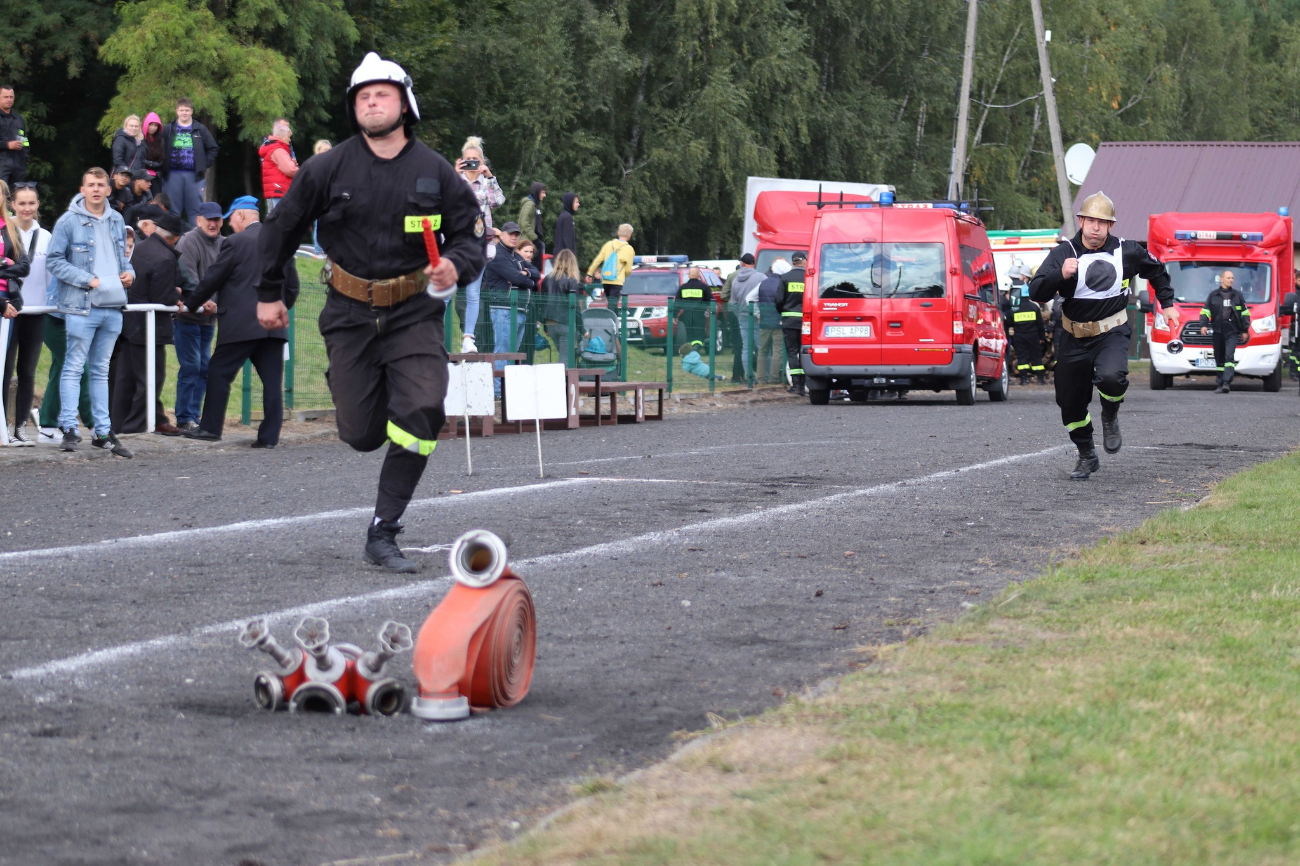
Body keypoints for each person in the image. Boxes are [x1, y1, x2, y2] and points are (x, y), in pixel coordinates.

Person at [256, 51, 485, 573]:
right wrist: (269, 292)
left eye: (382, 94)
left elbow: (473, 240)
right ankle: (366, 392)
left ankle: (384, 529)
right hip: (348, 311)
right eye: (363, 96)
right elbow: (280, 229)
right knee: (361, 433)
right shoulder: (326, 166)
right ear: (353, 107)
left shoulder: (436, 173)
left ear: (405, 105)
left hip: (413, 312)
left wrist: (453, 264)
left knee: (424, 407)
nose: (372, 102)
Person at [1029, 192, 1178, 480]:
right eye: (1090, 221)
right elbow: (1037, 292)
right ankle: (1086, 454)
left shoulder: (1127, 250)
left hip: (1112, 329)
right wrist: (1059, 275)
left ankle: (1110, 415)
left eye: (1102, 222)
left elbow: (1157, 270)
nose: (1095, 227)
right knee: (1069, 404)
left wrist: (1168, 304)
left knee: (1112, 376)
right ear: (1081, 221)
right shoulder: (1064, 253)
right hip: (1073, 335)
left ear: (1110, 225)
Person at [184, 197, 297, 446]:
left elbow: (213, 278)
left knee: (219, 372)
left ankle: (211, 428)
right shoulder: (281, 242)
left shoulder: (236, 242)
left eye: (231, 218)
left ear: (242, 216)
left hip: (240, 324)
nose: (229, 224)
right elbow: (293, 287)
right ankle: (268, 438)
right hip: (273, 328)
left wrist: (191, 304)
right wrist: (278, 308)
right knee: (271, 382)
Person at [46, 167, 136, 457]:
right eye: (91, 185)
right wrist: (89, 279)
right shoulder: (68, 222)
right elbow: (54, 261)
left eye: (101, 185)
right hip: (81, 305)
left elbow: (124, 259)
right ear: (82, 189)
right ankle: (69, 428)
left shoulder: (118, 220)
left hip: (112, 305)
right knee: (73, 367)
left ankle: (103, 432)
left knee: (100, 370)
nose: (96, 189)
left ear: (109, 190)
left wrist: (129, 273)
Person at [113, 208, 185, 436]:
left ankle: (122, 422)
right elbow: (162, 296)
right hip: (148, 328)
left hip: (129, 323)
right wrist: (176, 296)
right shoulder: (165, 257)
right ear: (175, 237)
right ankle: (137, 424)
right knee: (151, 378)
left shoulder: (141, 248)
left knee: (127, 378)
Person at [173, 200, 225, 431]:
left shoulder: (225, 244)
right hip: (188, 317)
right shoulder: (189, 241)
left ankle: (195, 416)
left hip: (209, 319)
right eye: (209, 219)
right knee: (191, 366)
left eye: (217, 219)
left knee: (205, 367)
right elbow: (189, 276)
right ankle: (185, 417)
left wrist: (215, 303)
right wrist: (204, 301)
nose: (213, 224)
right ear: (199, 220)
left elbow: (228, 277)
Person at [4, 182, 49, 444]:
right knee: (5, 370)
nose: (27, 208)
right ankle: (3, 426)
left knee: (28, 372)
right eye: (22, 203)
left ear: (38, 205)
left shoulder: (46, 236)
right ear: (12, 205)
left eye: (31, 203)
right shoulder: (3, 231)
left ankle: (20, 427)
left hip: (36, 310)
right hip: (8, 310)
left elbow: (51, 275)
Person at [455, 135, 504, 353]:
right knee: (446, 292)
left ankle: (468, 338)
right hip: (458, 242)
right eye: (468, 159)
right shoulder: (455, 180)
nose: (472, 163)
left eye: (476, 159)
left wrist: (490, 176)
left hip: (480, 244)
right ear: (462, 160)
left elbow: (498, 202)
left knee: (473, 293)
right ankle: (436, 334)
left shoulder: (486, 182)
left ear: (482, 161)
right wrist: (455, 174)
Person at [484, 224, 538, 391]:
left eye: (517, 235)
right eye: (511, 234)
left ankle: (507, 390)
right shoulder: (498, 255)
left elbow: (536, 272)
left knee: (512, 353)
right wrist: (527, 278)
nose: (514, 237)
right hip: (503, 308)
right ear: (502, 235)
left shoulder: (515, 256)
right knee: (503, 351)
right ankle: (498, 391)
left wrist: (527, 274)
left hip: (520, 309)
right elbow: (518, 279)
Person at [160, 98, 220, 225]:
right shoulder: (168, 129)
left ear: (191, 111)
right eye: (181, 110)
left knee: (195, 211)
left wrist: (204, 164)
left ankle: (195, 242)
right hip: (172, 175)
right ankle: (173, 243)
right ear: (177, 111)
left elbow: (213, 148)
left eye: (187, 110)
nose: (184, 113)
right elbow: (159, 149)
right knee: (172, 211)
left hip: (194, 176)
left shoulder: (200, 128)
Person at [1200, 269, 1251, 394]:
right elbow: (1205, 311)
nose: (1231, 280)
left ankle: (1227, 382)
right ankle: (1220, 383)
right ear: (1221, 279)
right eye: (1228, 278)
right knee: (1219, 358)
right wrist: (1203, 325)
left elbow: (1245, 314)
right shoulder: (1213, 295)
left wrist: (1244, 330)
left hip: (1232, 330)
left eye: (1232, 278)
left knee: (1229, 356)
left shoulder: (1237, 295)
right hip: (1218, 330)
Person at [774, 251, 808, 396]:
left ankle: (797, 386)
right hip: (807, 321)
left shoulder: (785, 278)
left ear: (793, 262)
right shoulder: (809, 278)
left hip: (789, 320)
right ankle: (806, 383)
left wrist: (784, 312)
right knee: (805, 352)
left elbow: (779, 300)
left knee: (792, 352)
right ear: (804, 261)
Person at [729, 254, 766, 384]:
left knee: (746, 347)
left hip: (743, 316)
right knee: (762, 346)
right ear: (753, 263)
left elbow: (732, 303)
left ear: (743, 264)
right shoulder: (761, 277)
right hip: (758, 317)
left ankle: (750, 376)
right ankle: (765, 376)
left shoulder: (735, 280)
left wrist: (739, 314)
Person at [543, 249, 582, 363]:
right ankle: (565, 381)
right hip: (566, 322)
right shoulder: (572, 280)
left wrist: (545, 326)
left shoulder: (547, 279)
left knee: (564, 354)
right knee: (566, 358)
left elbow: (543, 303)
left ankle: (567, 380)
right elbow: (575, 306)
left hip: (550, 323)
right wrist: (582, 327)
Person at [756, 257, 789, 384]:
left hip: (764, 322)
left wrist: (758, 314)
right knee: (777, 352)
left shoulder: (763, 283)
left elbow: (751, 298)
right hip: (778, 322)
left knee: (763, 350)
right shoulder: (783, 284)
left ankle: (761, 378)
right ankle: (774, 378)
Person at [586, 224, 635, 307]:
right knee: (613, 305)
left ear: (618, 233)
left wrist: (589, 273)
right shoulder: (629, 249)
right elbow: (628, 270)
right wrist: (623, 275)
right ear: (629, 235)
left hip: (606, 279)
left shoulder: (608, 244)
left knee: (609, 302)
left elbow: (598, 260)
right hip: (617, 281)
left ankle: (611, 318)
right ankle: (612, 319)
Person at [259, 118, 299, 212]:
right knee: (283, 218)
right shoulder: (278, 149)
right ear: (282, 135)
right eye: (288, 137)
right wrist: (303, 172)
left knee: (275, 217)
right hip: (280, 189)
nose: (289, 140)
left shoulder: (271, 146)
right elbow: (290, 170)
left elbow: (279, 165)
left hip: (274, 189)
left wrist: (290, 162)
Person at [1009, 285, 1046, 385]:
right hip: (1033, 336)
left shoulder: (1015, 308)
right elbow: (1040, 324)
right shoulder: (1034, 307)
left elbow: (1010, 322)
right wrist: (1041, 337)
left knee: (1022, 357)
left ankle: (1024, 379)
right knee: (1036, 356)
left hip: (1019, 336)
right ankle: (1040, 379)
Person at [674, 267, 714, 347]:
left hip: (686, 315)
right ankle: (696, 348)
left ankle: (690, 349)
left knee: (689, 333)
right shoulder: (704, 287)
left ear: (689, 276)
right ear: (698, 275)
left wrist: (675, 316)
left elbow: (677, 303)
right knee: (699, 333)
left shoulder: (683, 287)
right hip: (700, 314)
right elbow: (711, 301)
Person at [0, 86, 29, 189]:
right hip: (2, 163)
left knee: (17, 196)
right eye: (5, 97)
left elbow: (25, 140)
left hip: (18, 164)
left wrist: (25, 158)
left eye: (11, 97)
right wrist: (7, 145)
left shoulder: (18, 118)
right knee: (2, 194)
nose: (9, 99)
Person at [517, 181, 546, 270]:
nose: (544, 195)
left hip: (532, 239)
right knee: (532, 267)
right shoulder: (530, 204)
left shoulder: (536, 205)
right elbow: (524, 223)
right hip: (527, 240)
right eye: (543, 192)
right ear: (537, 192)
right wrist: (535, 238)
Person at [141, 112, 165, 195]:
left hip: (155, 175)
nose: (153, 128)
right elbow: (139, 159)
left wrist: (149, 163)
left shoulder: (160, 141)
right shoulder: (139, 139)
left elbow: (162, 161)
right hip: (141, 174)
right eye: (151, 125)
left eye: (156, 125)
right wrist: (150, 164)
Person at [553, 192, 578, 256]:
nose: (578, 204)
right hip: (565, 256)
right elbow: (567, 238)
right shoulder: (568, 217)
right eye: (576, 202)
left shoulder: (563, 215)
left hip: (559, 253)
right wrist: (571, 254)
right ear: (570, 202)